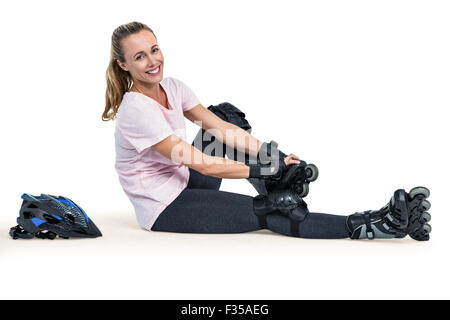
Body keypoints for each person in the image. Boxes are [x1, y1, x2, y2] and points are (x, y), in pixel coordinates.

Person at [103, 21, 432, 241]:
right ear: (124, 65)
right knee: (277, 208)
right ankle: (373, 224)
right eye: (139, 57)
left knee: (224, 115)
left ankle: (276, 181)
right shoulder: (136, 110)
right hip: (166, 205)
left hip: (186, 181)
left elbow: (221, 129)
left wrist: (273, 157)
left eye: (154, 50)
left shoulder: (173, 87)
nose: (152, 61)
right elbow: (199, 162)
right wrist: (258, 167)